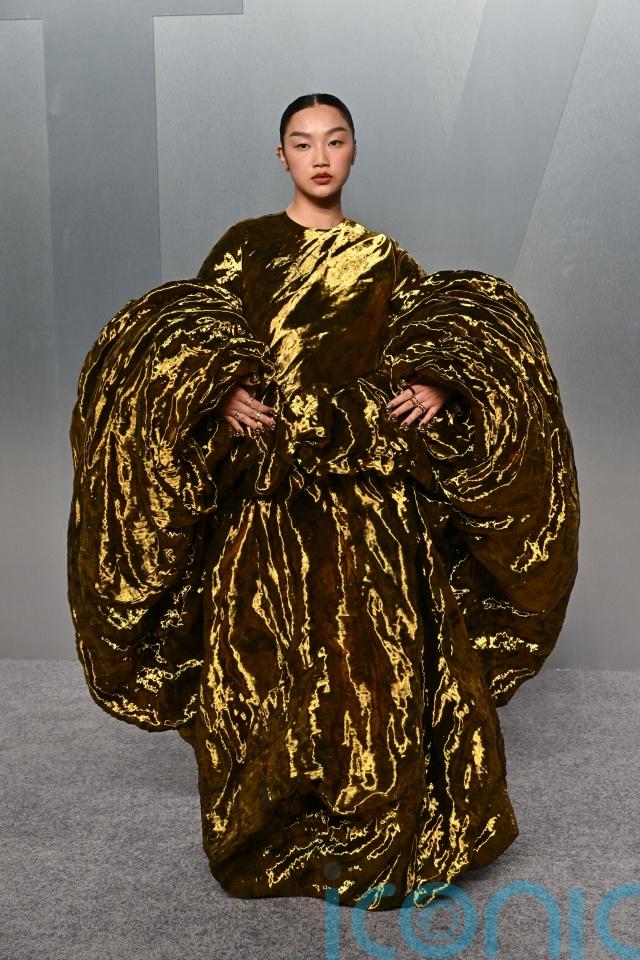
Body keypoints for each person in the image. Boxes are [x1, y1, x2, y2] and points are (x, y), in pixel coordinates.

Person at [67, 92, 580, 912]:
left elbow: (433, 332)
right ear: (281, 156)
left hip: (368, 502)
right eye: (302, 143)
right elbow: (197, 332)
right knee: (264, 662)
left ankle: (374, 818)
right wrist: (220, 389)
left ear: (353, 151)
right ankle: (273, 821)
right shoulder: (245, 249)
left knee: (375, 668)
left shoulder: (384, 258)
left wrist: (438, 383)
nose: (319, 156)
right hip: (269, 498)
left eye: (334, 141)